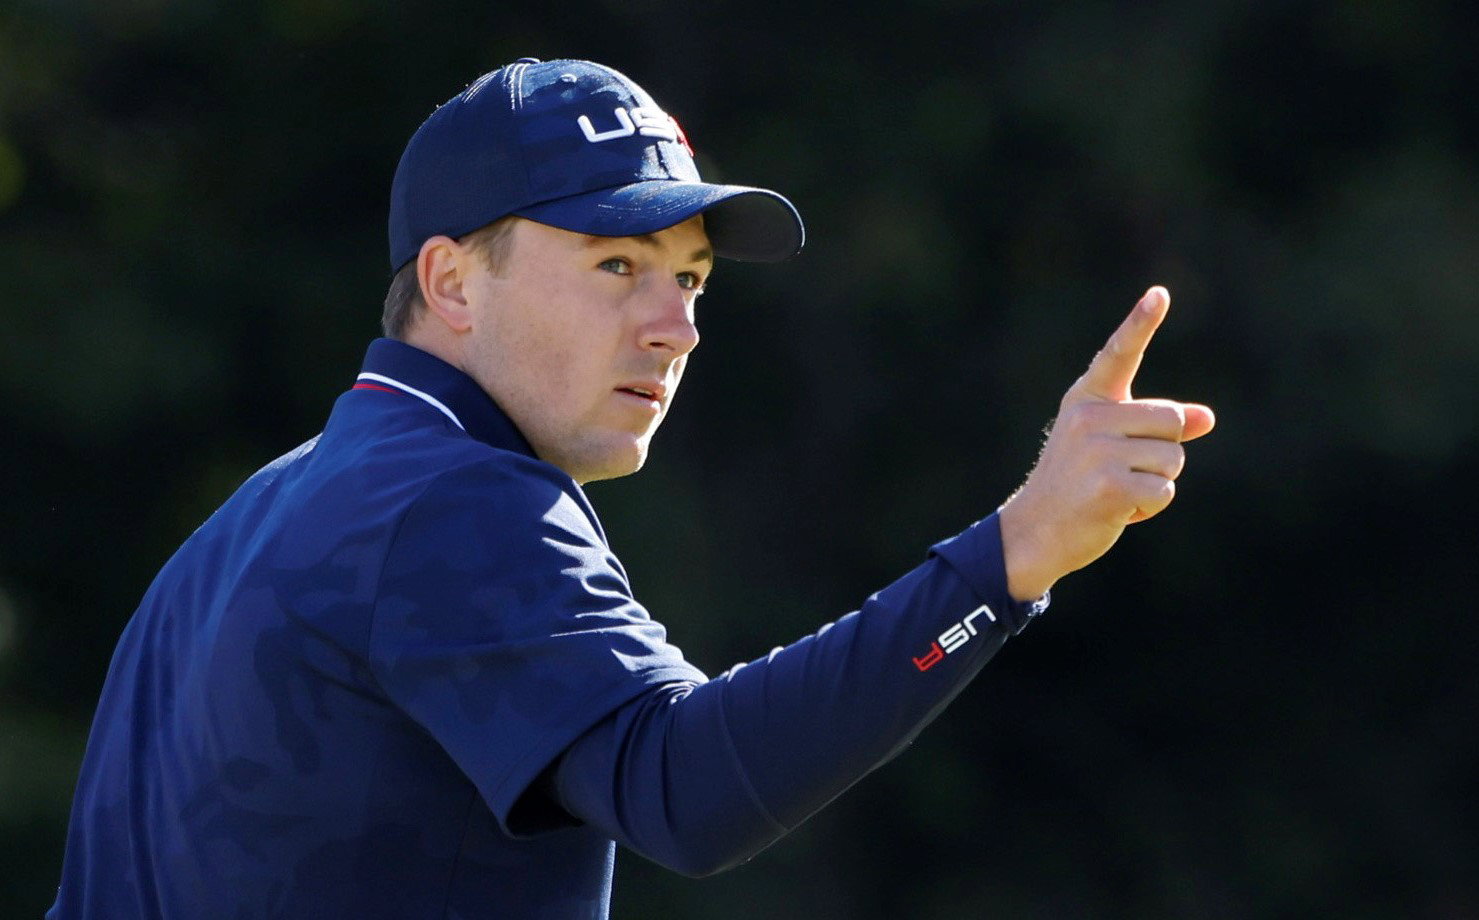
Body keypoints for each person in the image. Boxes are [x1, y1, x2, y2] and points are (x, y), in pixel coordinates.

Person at [48, 58, 1214, 919]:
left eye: (692, 278)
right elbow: (686, 785)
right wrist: (1014, 554)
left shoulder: (238, 531)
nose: (677, 325)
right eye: (617, 264)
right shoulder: (454, 496)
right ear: (455, 283)